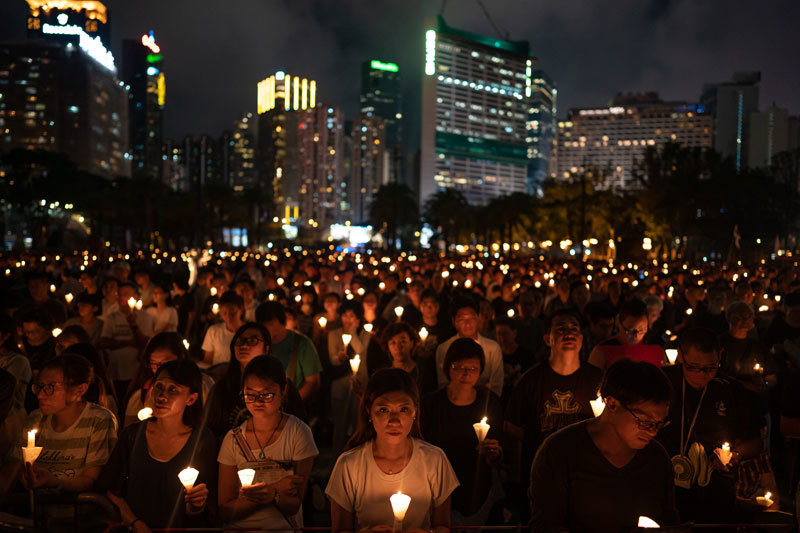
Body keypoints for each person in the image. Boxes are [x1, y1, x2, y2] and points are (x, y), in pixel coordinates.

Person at [529, 359, 678, 532]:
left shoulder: (657, 459)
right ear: (613, 404)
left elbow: (669, 522)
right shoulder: (559, 452)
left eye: (659, 424)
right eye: (645, 422)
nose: (653, 432)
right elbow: (545, 526)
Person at [326, 368, 459, 533]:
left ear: (415, 411)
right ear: (369, 411)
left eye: (403, 409)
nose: (394, 421)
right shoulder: (349, 465)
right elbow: (339, 529)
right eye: (384, 410)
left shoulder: (434, 460)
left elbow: (443, 526)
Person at [505, 308, 603, 524]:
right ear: (547, 339)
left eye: (574, 329)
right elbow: (510, 425)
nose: (568, 333)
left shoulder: (598, 381)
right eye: (561, 329)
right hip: (542, 475)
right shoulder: (530, 381)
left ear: (581, 338)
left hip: (585, 475)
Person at [657, 328, 765, 523]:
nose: (702, 375)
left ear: (720, 356)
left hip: (716, 492)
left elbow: (755, 442)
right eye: (693, 367)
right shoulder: (659, 383)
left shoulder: (732, 390)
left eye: (710, 367)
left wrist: (735, 455)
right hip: (663, 489)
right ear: (680, 355)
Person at [99, 360, 216, 531]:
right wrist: (134, 523)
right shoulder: (132, 436)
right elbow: (109, 489)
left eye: (173, 390)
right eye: (159, 386)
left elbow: (201, 507)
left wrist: (196, 505)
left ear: (191, 399)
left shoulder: (202, 440)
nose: (162, 396)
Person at [217, 355, 318, 531]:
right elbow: (225, 510)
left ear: (283, 391)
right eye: (250, 394)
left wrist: (257, 496)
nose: (257, 402)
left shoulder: (298, 433)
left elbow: (294, 505)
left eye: (266, 394)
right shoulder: (232, 440)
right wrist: (274, 491)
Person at [420, 338, 504, 526]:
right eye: (459, 367)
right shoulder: (430, 405)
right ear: (447, 368)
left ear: (481, 371)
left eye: (473, 368)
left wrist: (493, 453)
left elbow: (497, 453)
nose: (466, 373)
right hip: (437, 486)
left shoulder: (489, 403)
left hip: (477, 486)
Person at [16, 354, 118, 493]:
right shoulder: (36, 418)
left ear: (80, 390)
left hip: (77, 511)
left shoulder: (98, 420)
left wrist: (54, 482)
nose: (40, 395)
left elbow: (93, 481)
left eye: (50, 387)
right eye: (39, 386)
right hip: (36, 511)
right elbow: (13, 466)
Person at [122, 332, 214, 427]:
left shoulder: (202, 384)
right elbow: (129, 427)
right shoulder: (145, 390)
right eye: (154, 363)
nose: (159, 368)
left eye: (166, 362)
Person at [435, 298, 504, 396]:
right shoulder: (444, 349)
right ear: (454, 322)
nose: (467, 324)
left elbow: (496, 386)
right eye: (462, 319)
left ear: (478, 318)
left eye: (471, 318)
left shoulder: (493, 348)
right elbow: (443, 385)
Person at [99, 283, 155, 402]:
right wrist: (130, 342)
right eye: (119, 294)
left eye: (125, 294)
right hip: (115, 369)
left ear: (135, 297)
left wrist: (133, 325)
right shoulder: (111, 317)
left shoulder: (145, 317)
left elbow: (145, 343)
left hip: (135, 369)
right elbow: (104, 342)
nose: (120, 297)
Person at [257, 302, 322, 402]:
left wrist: (291, 403)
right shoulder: (258, 343)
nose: (266, 328)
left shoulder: (302, 343)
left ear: (282, 321)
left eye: (270, 323)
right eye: (263, 325)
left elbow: (313, 382)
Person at [588, 298, 667, 369]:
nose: (636, 336)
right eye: (630, 330)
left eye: (642, 330)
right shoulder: (602, 352)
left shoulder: (656, 350)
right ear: (619, 322)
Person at [201, 290, 245, 369]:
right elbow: (207, 361)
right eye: (224, 313)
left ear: (241, 309)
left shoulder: (248, 332)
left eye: (232, 313)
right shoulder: (214, 331)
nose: (228, 317)